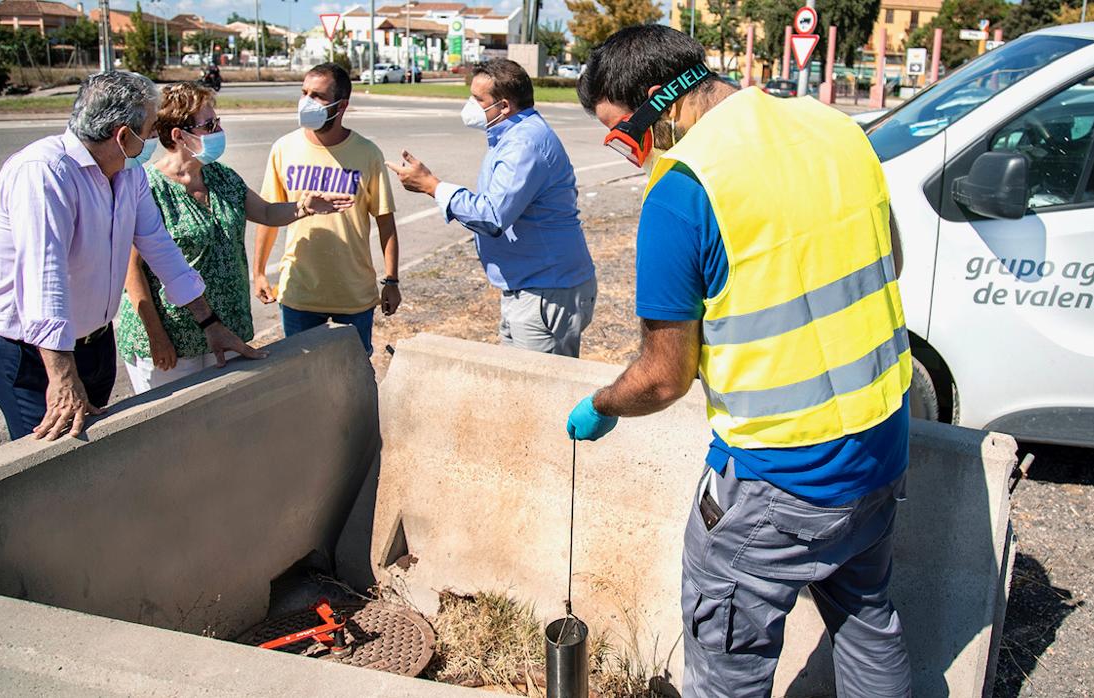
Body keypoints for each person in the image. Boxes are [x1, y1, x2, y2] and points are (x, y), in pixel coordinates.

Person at [566, 26, 913, 698]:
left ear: (655, 102)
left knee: (727, 669)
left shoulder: (685, 190)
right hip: (878, 448)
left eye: (624, 134)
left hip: (775, 479)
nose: (635, 155)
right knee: (869, 624)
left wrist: (603, 403)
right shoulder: (834, 129)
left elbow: (664, 375)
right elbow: (885, 259)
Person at [0, 71, 264, 442]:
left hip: (93, 344)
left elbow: (161, 249)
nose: (151, 141)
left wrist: (210, 324)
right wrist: (62, 376)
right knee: (52, 458)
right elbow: (45, 281)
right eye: (146, 131)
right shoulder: (44, 174)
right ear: (123, 136)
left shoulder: (128, 176)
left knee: (91, 453)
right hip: (33, 354)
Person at [116, 81, 353, 393]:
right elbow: (131, 270)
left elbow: (266, 213)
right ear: (179, 135)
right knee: (175, 434)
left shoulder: (222, 177)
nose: (218, 130)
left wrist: (304, 207)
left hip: (224, 331)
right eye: (209, 124)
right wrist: (156, 336)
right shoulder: (147, 187)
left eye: (218, 122)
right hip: (172, 343)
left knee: (219, 428)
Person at [387, 59, 597, 357]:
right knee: (519, 386)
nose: (470, 105)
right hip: (531, 286)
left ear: (504, 105)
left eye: (477, 99)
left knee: (536, 391)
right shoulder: (512, 135)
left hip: (544, 290)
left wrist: (433, 186)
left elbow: (493, 216)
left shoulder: (524, 143)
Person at [253, 63, 401, 355]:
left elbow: (386, 223)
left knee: (354, 375)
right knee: (302, 375)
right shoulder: (284, 148)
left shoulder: (367, 153)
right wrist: (259, 271)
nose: (307, 101)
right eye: (304, 93)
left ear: (341, 105)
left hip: (353, 293)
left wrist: (392, 280)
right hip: (299, 292)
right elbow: (269, 214)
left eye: (318, 96)